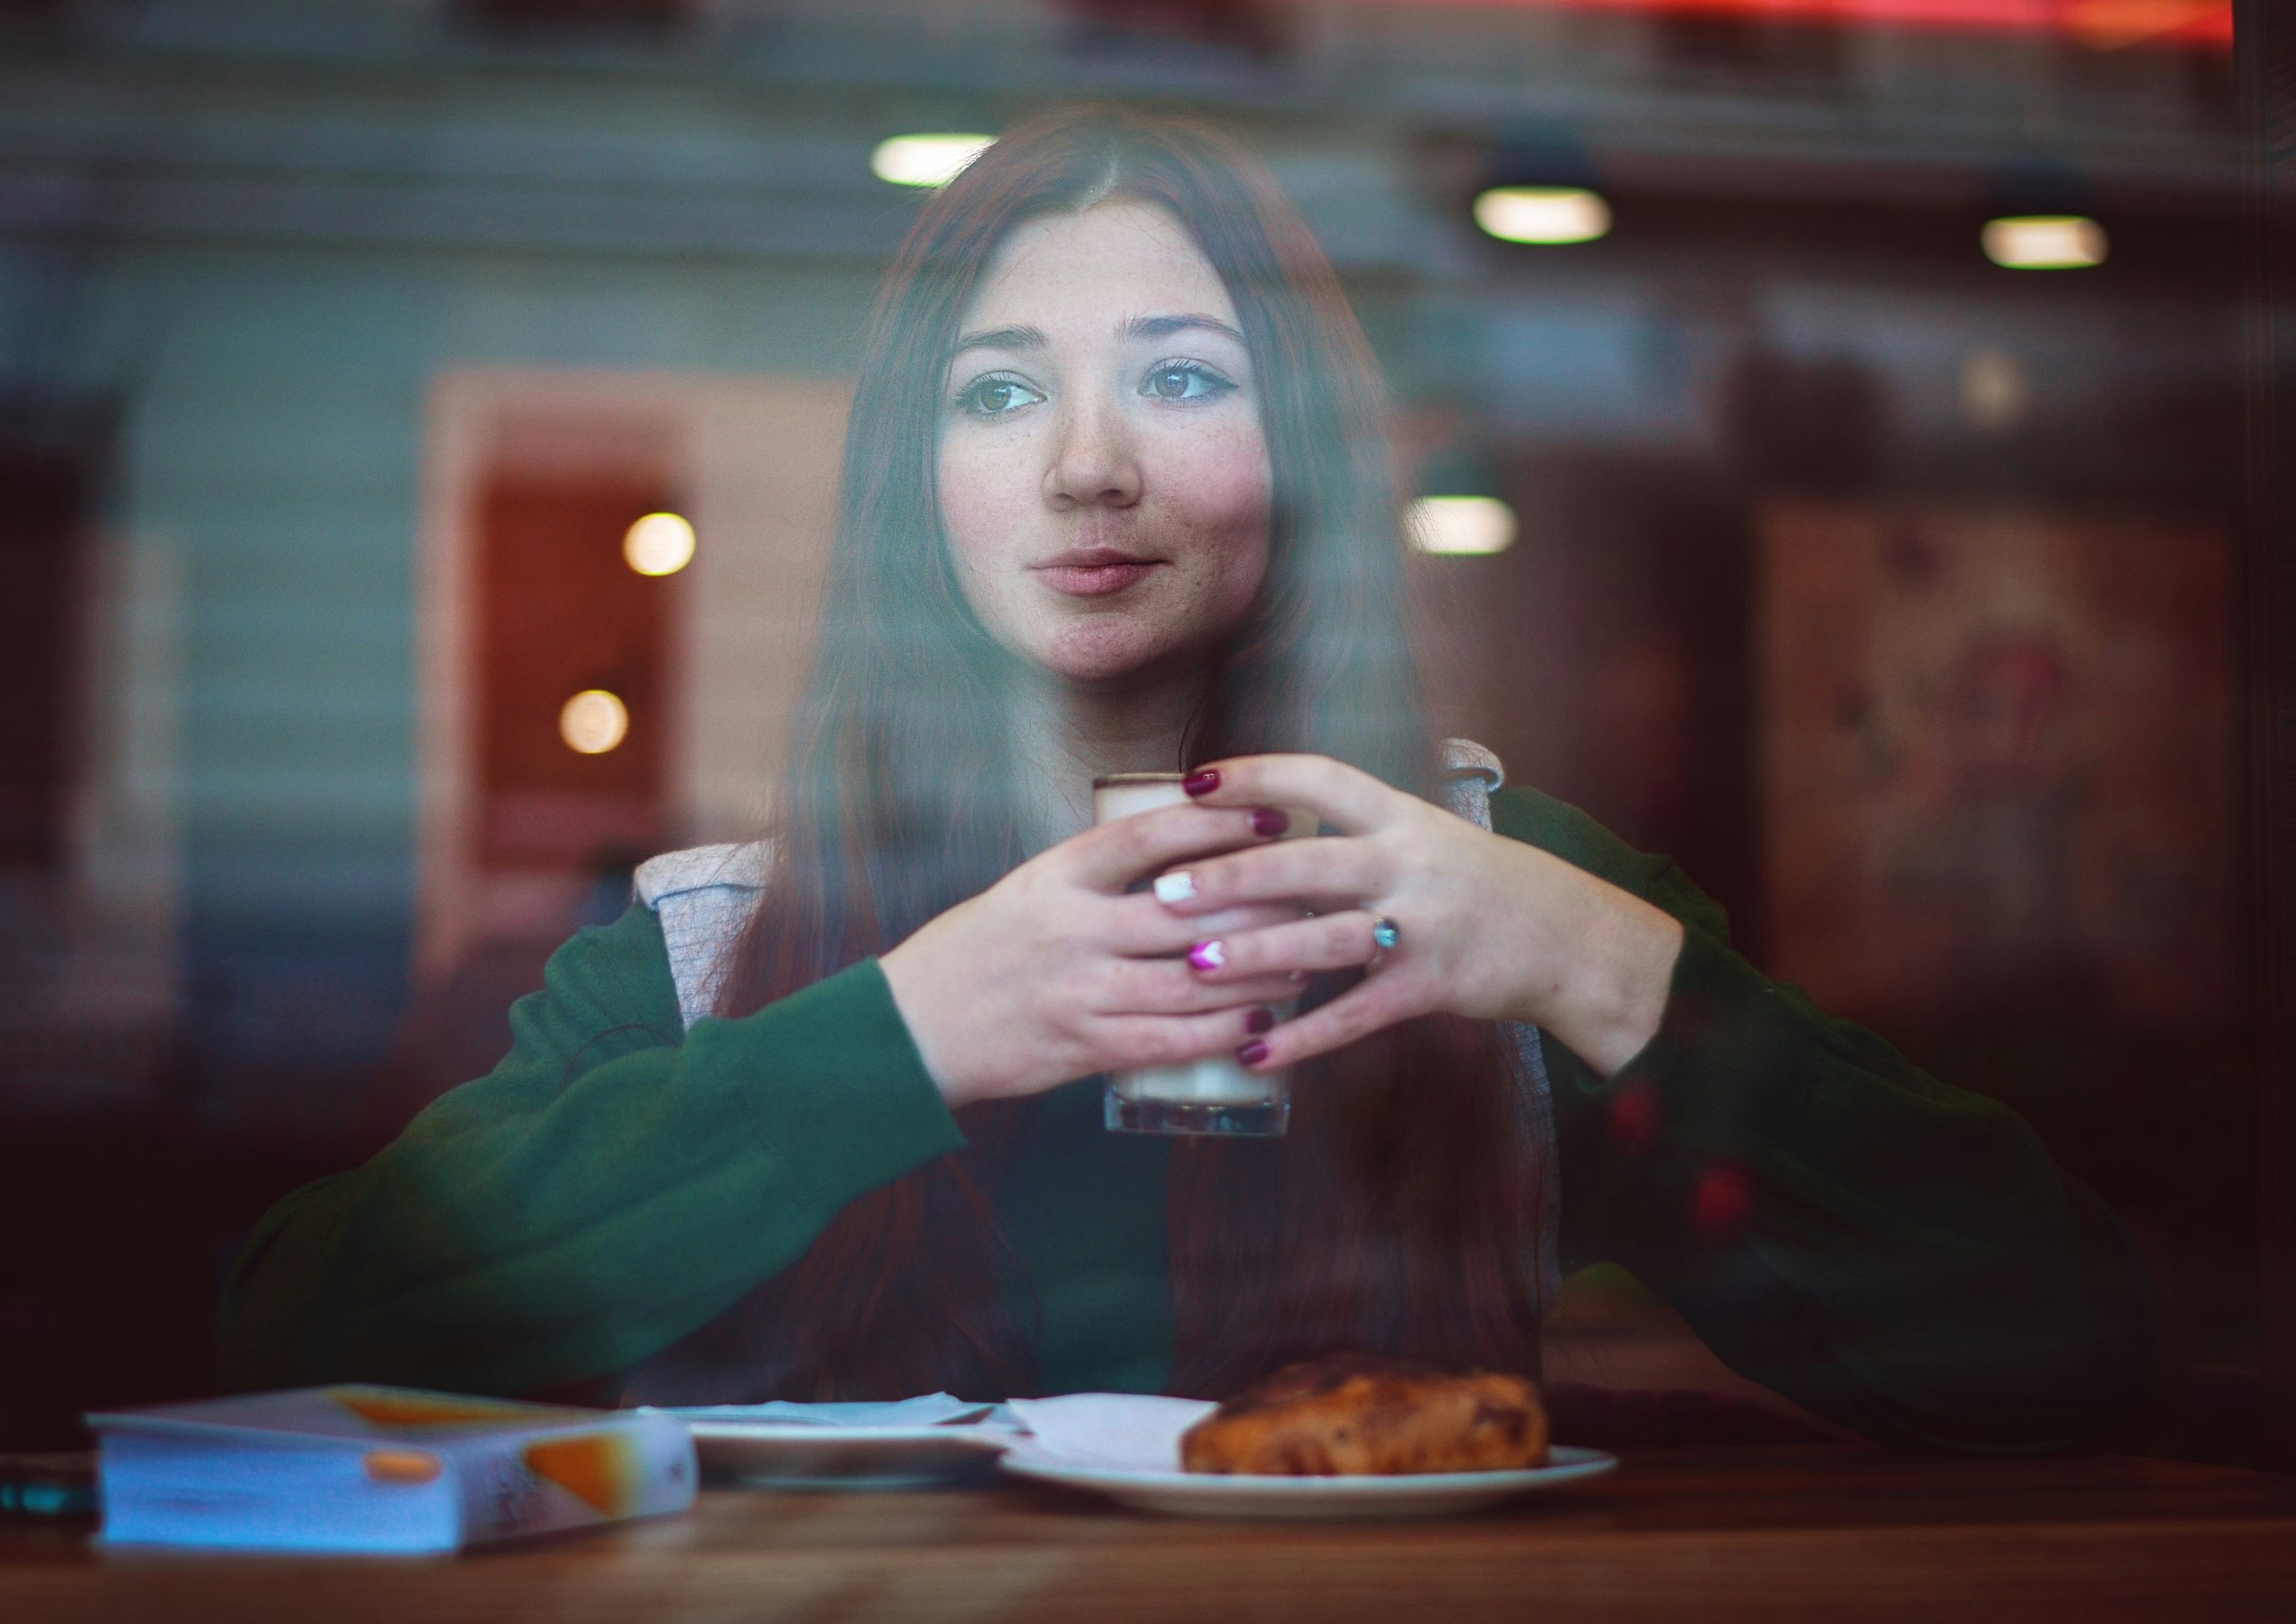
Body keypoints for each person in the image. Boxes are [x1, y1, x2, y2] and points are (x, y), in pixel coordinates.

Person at [219, 107, 2152, 1450]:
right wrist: (898, 1032)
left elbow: (2053, 1349)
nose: (1083, 466)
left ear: (1295, 452)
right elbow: (294, 1337)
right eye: (997, 390)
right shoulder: (721, 943)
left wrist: (1595, 964)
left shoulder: (1478, 883)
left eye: (1179, 375)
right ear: (920, 473)